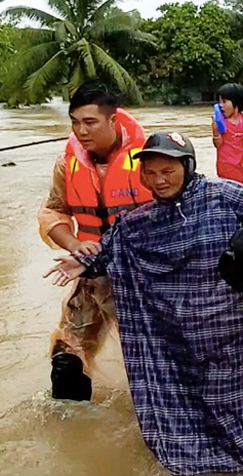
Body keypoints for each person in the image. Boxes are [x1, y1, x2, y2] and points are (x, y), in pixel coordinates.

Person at [45, 133, 243, 475]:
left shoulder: (225, 196)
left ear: (188, 166)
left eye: (167, 170)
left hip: (233, 330)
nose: (158, 180)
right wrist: (83, 262)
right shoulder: (141, 221)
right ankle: (202, 457)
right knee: (187, 397)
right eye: (150, 173)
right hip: (178, 334)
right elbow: (113, 248)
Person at [37, 82, 154, 401]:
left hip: (143, 278)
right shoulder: (67, 164)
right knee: (67, 358)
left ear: (113, 120)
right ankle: (73, 435)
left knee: (155, 359)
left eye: (90, 122)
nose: (81, 131)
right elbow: (54, 210)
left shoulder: (151, 160)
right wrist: (74, 244)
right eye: (75, 122)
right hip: (90, 276)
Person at [212, 83, 243, 183]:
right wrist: (215, 131)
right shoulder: (220, 123)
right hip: (227, 170)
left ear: (236, 103)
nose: (221, 105)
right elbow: (218, 145)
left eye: (224, 102)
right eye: (219, 102)